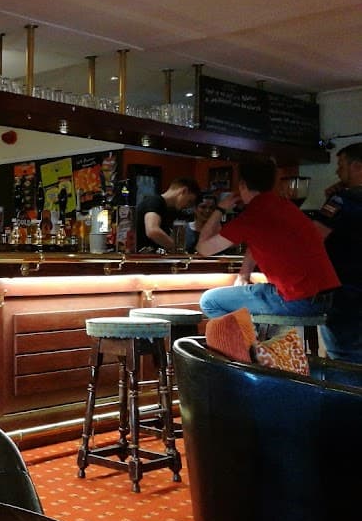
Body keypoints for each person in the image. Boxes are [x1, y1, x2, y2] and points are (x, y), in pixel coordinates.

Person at [197, 160, 339, 319]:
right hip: (328, 298)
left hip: (297, 300)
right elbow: (257, 242)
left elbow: (203, 248)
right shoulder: (287, 207)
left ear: (242, 185)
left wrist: (220, 208)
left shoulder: (251, 216)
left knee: (209, 300)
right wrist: (244, 274)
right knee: (260, 296)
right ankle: (255, 339)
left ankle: (246, 343)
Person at [313, 142, 362, 362]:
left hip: (346, 293)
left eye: (341, 166)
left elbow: (313, 238)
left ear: (357, 167)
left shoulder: (343, 200)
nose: (337, 172)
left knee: (344, 359)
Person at [134, 177, 200, 252]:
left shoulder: (170, 209)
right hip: (141, 258)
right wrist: (178, 249)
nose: (188, 206)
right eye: (189, 201)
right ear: (184, 191)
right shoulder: (154, 202)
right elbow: (152, 231)